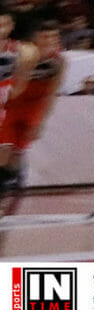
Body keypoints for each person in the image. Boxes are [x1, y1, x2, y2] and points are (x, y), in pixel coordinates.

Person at [0, 25, 64, 199]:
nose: (50, 41)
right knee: (3, 153)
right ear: (35, 39)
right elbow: (11, 83)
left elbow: (52, 93)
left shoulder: (58, 61)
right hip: (13, 104)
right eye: (45, 37)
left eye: (53, 37)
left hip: (33, 108)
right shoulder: (23, 53)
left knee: (15, 157)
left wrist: (41, 121)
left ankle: (13, 179)